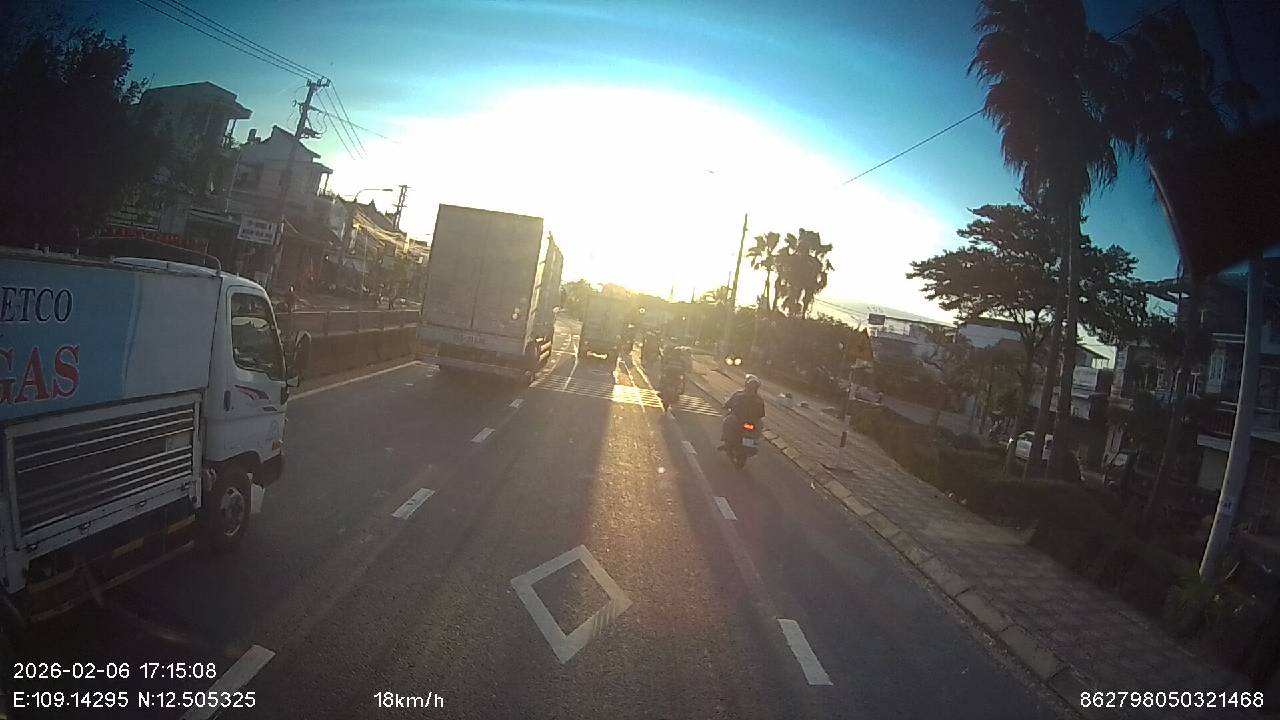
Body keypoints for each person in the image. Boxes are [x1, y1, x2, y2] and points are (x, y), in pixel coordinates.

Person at [719, 374, 765, 450]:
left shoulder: (738, 394)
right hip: (752, 422)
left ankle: (727, 441)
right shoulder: (759, 399)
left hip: (738, 420)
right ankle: (754, 442)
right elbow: (762, 414)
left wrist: (725, 406)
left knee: (727, 421)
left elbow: (728, 404)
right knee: (760, 425)